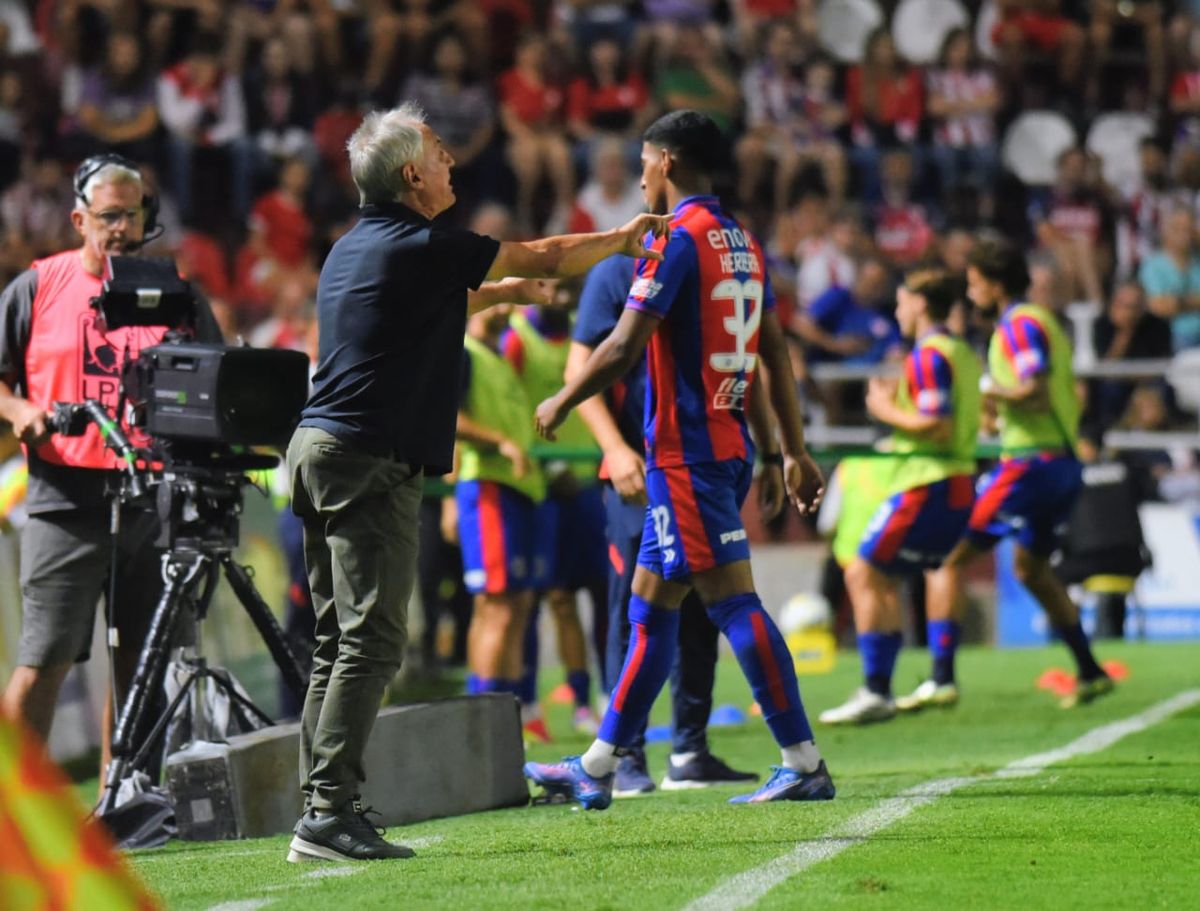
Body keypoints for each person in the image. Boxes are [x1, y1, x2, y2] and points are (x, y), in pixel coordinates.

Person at [284, 101, 672, 862]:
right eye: (437, 150)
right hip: (367, 456)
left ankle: (323, 805)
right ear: (410, 175)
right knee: (371, 641)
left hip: (320, 448)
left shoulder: (359, 246)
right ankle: (328, 814)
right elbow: (550, 252)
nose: (451, 161)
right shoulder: (421, 241)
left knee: (338, 643)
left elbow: (441, 295)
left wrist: (506, 296)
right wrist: (622, 240)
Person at [524, 109, 831, 809]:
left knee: (731, 603)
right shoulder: (744, 243)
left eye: (642, 160)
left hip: (686, 456)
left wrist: (563, 399)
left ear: (666, 161)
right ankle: (599, 764)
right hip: (723, 447)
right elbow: (774, 352)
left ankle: (802, 757)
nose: (638, 173)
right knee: (651, 609)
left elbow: (622, 346)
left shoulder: (679, 242)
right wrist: (793, 449)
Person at [0, 154, 216, 765]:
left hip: (152, 494)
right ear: (79, 219)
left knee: (141, 659)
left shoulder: (174, 291)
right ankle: (14, 810)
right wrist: (20, 413)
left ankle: (124, 802)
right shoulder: (38, 287)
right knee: (45, 658)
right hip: (64, 497)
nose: (123, 226)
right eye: (110, 215)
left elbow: (216, 373)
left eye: (135, 213)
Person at [569, 252, 758, 794]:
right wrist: (614, 449)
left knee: (702, 603)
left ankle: (689, 749)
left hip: (698, 464)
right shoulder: (615, 272)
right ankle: (625, 756)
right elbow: (580, 366)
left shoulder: (709, 261)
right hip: (641, 468)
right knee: (634, 606)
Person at [944, 239, 1113, 709]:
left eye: (975, 283)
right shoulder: (1040, 323)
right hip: (1057, 460)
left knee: (949, 556)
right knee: (1031, 568)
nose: (971, 291)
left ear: (995, 285)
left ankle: (939, 677)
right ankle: (1090, 669)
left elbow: (1033, 392)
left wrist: (985, 390)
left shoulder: (1018, 326)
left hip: (1030, 464)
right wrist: (996, 408)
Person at [819, 270, 981, 725]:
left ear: (920, 304)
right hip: (955, 481)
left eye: (901, 302)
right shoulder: (961, 353)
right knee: (883, 577)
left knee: (863, 574)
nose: (897, 311)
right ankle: (889, 686)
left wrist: (885, 411)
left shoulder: (929, 356)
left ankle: (876, 689)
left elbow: (939, 424)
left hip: (928, 482)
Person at [503, 297, 607, 738]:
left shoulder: (590, 336)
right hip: (542, 486)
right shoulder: (516, 338)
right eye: (549, 285)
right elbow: (506, 404)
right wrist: (543, 463)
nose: (558, 296)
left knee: (604, 594)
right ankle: (526, 703)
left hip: (589, 480)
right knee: (542, 598)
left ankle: (596, 699)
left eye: (567, 288)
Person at [456, 302, 546, 713]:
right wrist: (499, 441)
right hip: (489, 488)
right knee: (497, 607)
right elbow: (449, 419)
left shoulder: (499, 355)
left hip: (518, 491)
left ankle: (508, 715)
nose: (513, 305)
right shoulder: (463, 353)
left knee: (516, 605)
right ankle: (483, 716)